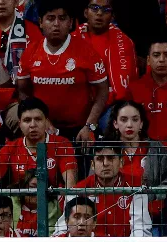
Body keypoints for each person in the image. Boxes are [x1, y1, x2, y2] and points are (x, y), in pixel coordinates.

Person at [15, 0, 108, 141]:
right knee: (42, 162)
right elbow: (23, 91)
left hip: (80, 130)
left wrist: (90, 126)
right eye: (51, 18)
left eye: (62, 18)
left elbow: (102, 91)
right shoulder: (30, 52)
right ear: (40, 22)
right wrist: (42, 120)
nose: (56, 24)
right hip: (43, 129)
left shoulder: (87, 52)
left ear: (70, 23)